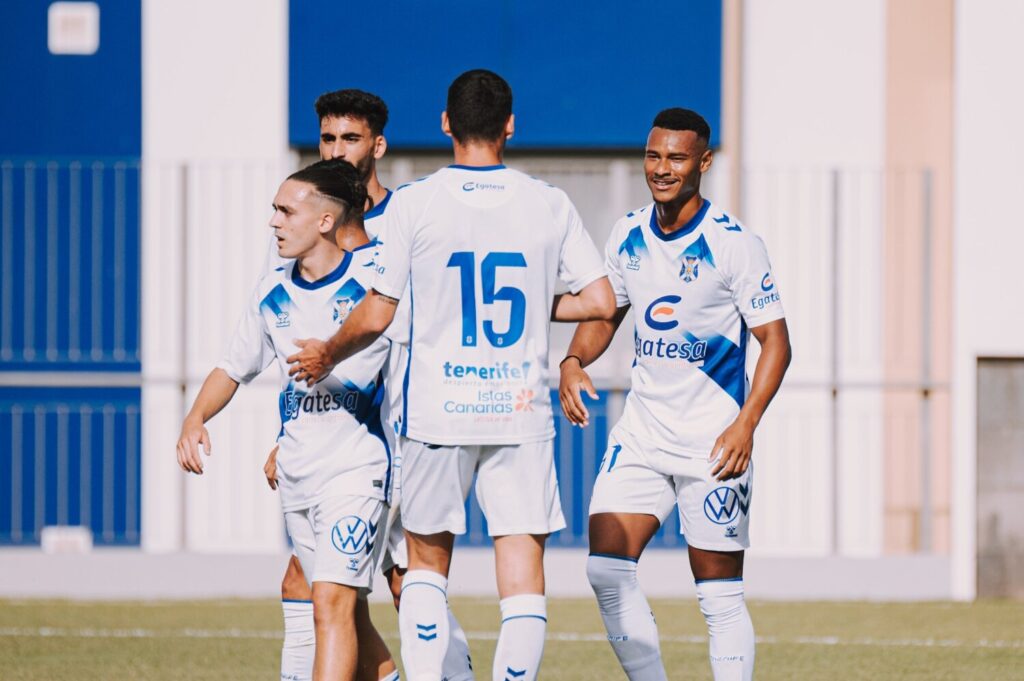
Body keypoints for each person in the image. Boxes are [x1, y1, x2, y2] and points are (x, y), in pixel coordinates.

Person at [285, 69, 617, 681]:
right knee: (521, 578)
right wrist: (533, 300)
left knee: (424, 568)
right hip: (519, 410)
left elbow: (378, 311)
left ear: (445, 123)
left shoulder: (416, 202)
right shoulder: (548, 201)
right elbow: (600, 301)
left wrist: (328, 352)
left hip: (438, 413)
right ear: (510, 126)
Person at [558, 108, 792, 681]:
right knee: (606, 570)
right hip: (642, 435)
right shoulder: (627, 233)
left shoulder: (733, 244)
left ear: (703, 162)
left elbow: (777, 343)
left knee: (719, 596)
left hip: (713, 446)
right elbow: (606, 313)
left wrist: (746, 424)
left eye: (677, 158)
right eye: (653, 156)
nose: (662, 169)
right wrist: (572, 360)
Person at [263, 91, 474, 680]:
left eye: (350, 139)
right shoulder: (309, 223)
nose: (336, 150)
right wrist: (290, 429)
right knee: (311, 583)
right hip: (338, 444)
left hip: (399, 437)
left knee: (406, 582)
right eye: (327, 138)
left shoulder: (404, 221)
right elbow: (294, 336)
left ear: (377, 145)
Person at [177, 160, 397, 681]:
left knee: (331, 604)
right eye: (274, 210)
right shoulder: (271, 289)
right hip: (298, 475)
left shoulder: (375, 287)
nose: (273, 221)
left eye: (285, 211)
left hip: (358, 471)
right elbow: (233, 367)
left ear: (324, 221)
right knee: (348, 615)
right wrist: (195, 417)